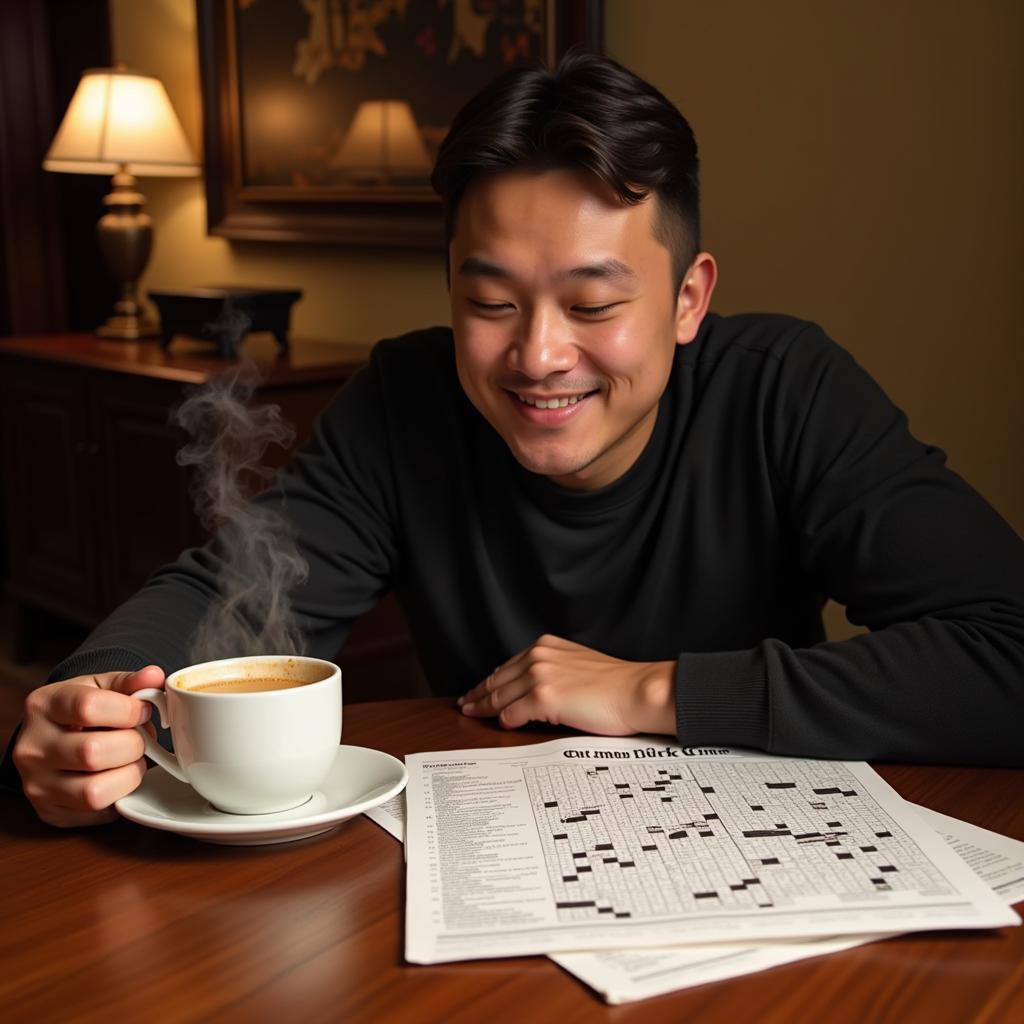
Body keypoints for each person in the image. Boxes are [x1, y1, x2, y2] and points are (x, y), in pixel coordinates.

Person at [5, 51, 1023, 829]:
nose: (537, 357)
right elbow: (221, 589)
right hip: (493, 867)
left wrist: (651, 687)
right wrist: (92, 694)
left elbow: (1006, 654)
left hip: (770, 855)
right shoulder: (407, 397)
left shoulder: (785, 390)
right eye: (488, 302)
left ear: (687, 297)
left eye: (591, 303)